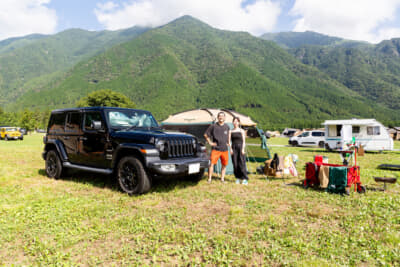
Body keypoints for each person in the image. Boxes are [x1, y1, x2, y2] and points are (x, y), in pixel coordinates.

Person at [204, 112, 230, 183]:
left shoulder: (227, 126)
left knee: (224, 165)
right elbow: (206, 135)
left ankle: (222, 179)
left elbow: (228, 135)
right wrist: (210, 143)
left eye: (222, 116)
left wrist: (228, 142)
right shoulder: (213, 126)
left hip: (224, 149)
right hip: (215, 149)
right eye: (219, 116)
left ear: (225, 118)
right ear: (218, 117)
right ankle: (209, 179)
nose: (221, 117)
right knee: (211, 164)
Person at [229, 117, 249, 185]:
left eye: (237, 121)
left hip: (240, 147)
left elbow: (244, 141)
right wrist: (230, 149)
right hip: (233, 147)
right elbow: (229, 141)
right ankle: (238, 177)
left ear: (239, 122)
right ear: (232, 122)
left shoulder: (242, 131)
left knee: (242, 163)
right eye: (234, 121)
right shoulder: (230, 131)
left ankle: (244, 178)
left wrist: (243, 149)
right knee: (235, 163)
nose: (235, 122)